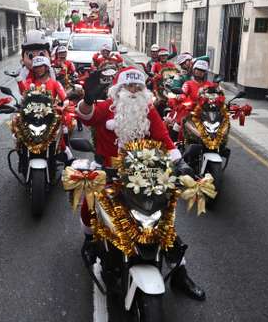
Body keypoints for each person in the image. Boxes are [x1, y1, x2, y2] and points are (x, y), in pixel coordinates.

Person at [76, 67, 206, 301]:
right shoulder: (106, 108)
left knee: (163, 224)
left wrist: (181, 165)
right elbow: (85, 116)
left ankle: (180, 274)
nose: (134, 91)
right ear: (118, 89)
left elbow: (165, 140)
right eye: (129, 86)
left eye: (138, 87)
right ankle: (89, 241)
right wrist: (86, 99)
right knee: (89, 203)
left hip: (146, 174)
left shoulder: (148, 110)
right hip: (110, 173)